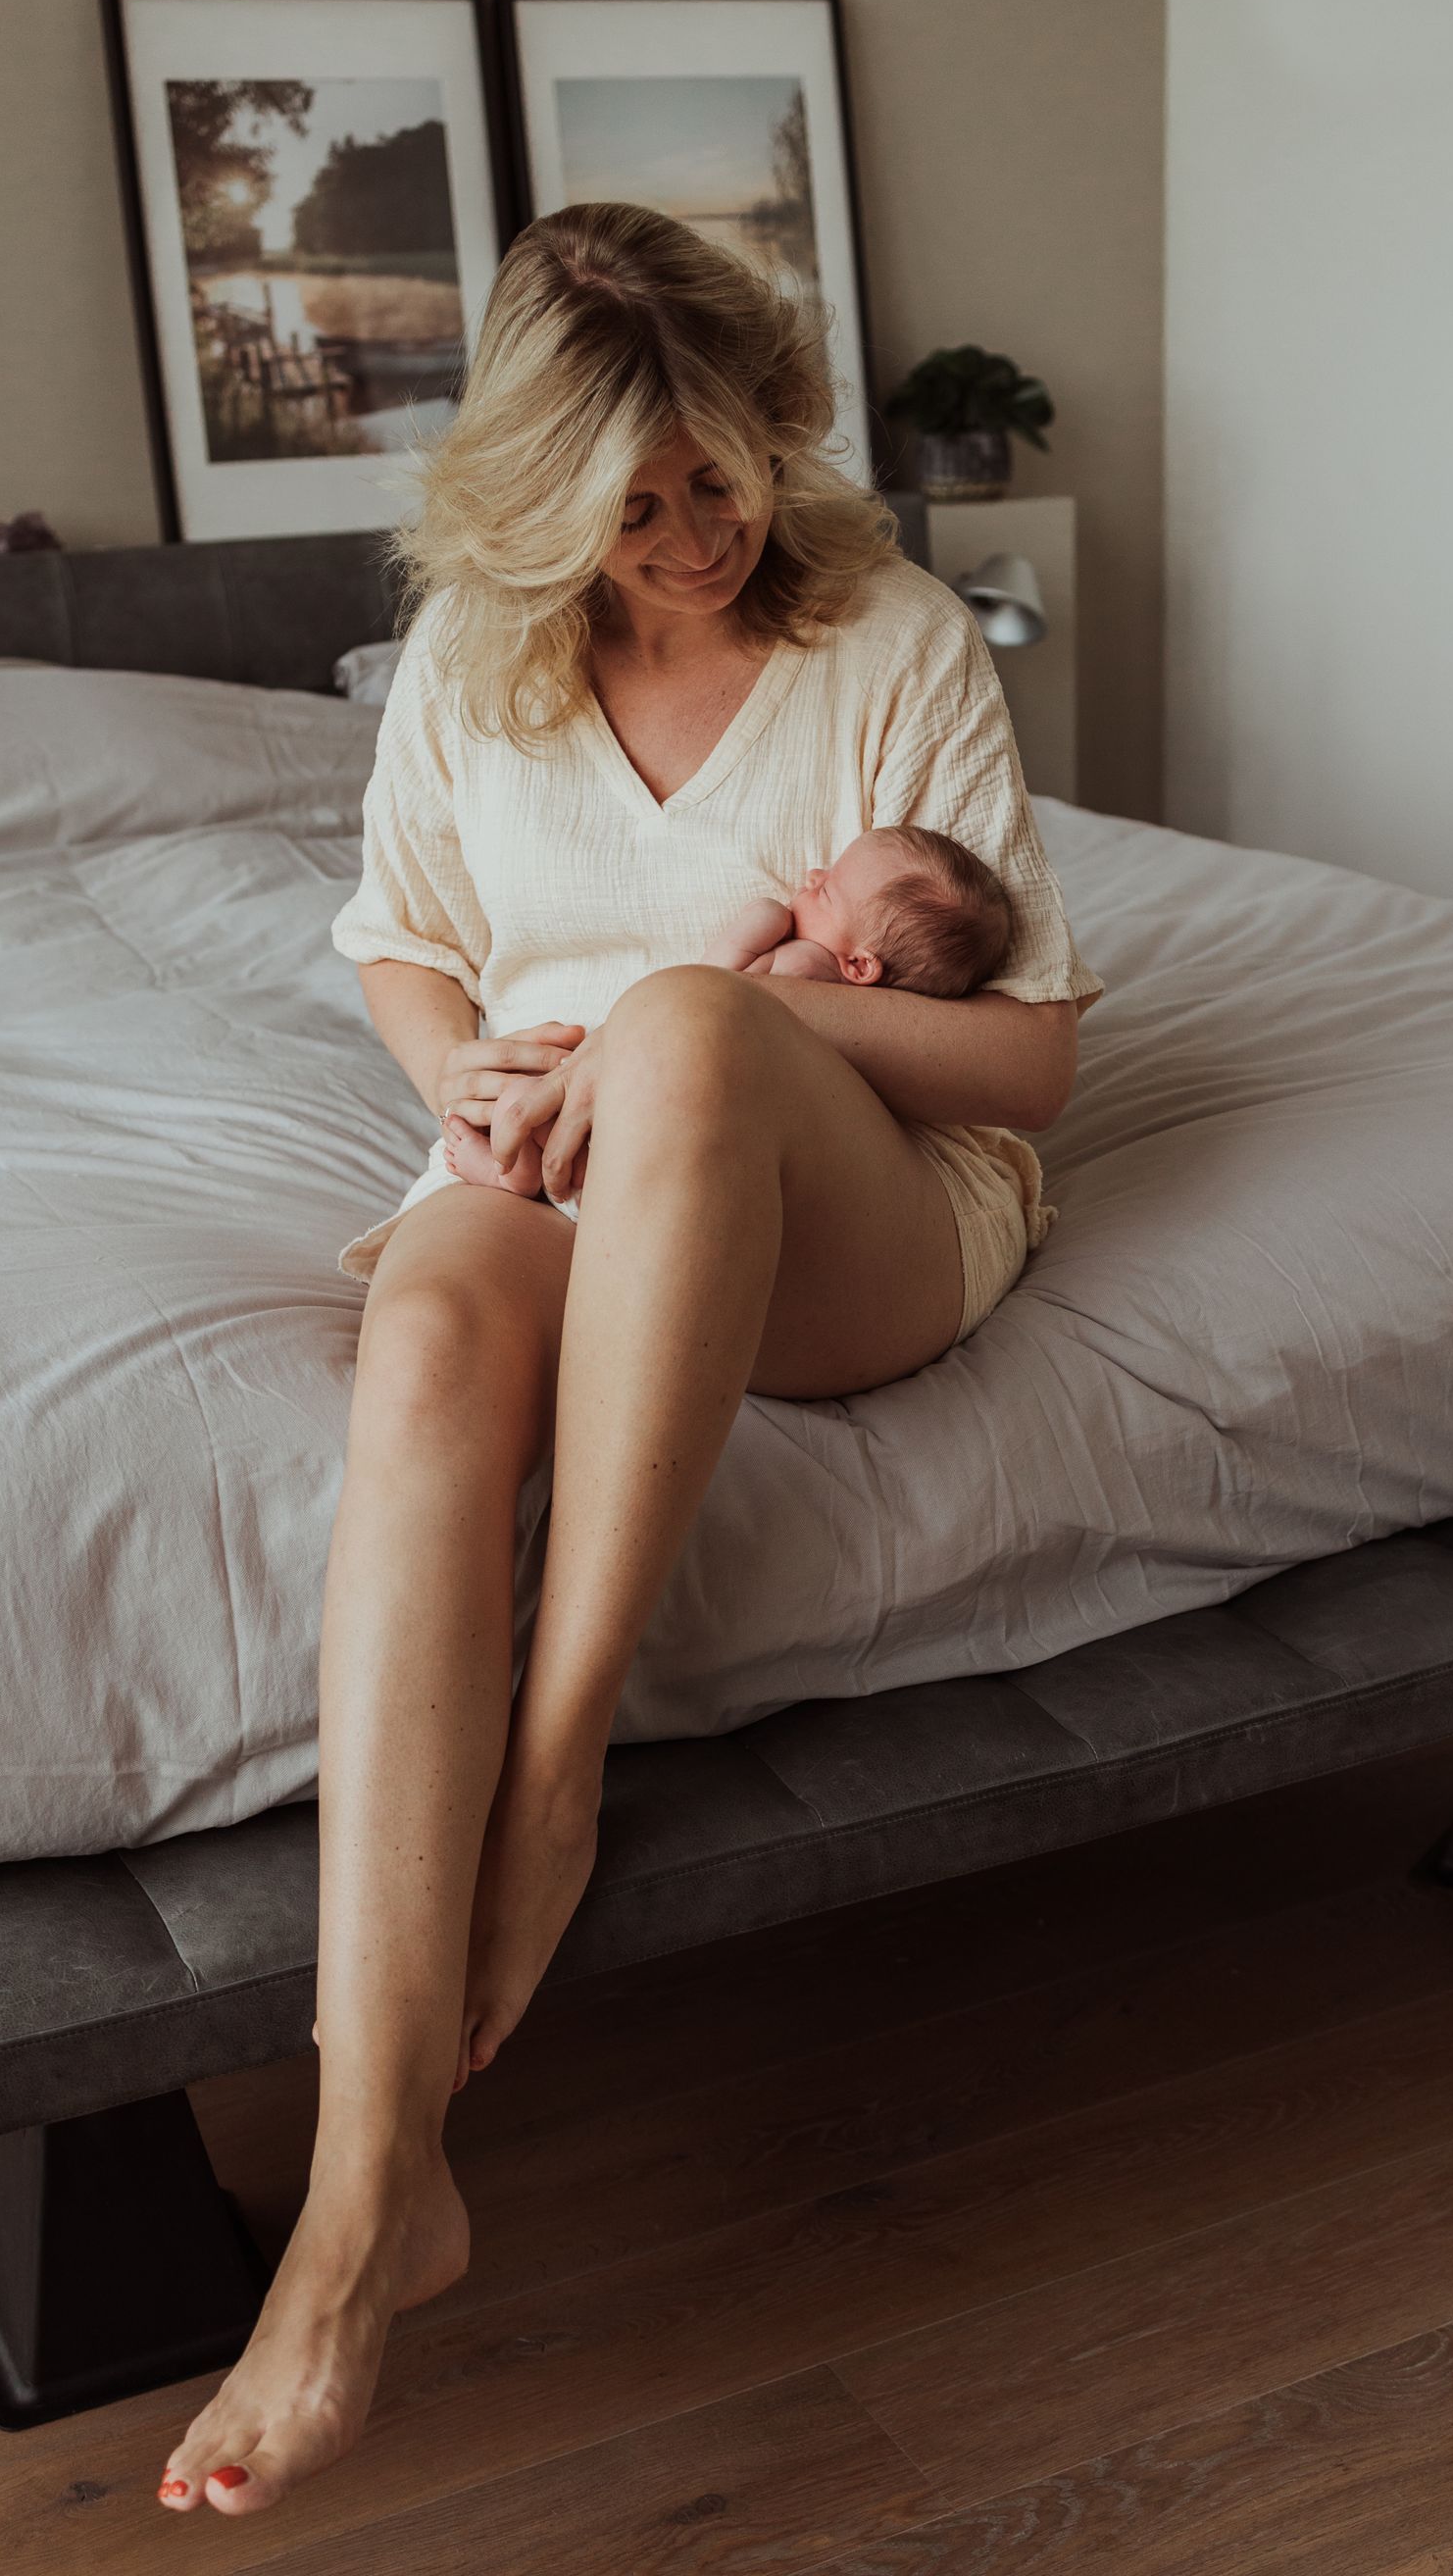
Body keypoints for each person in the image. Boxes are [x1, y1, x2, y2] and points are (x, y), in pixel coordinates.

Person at [157, 202, 1103, 2520]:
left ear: (773, 428)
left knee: (678, 1019)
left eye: (723, 474)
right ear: (537, 496)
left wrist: (736, 1016)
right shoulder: (471, 653)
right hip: (563, 1161)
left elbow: (1028, 1063)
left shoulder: (887, 636)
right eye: (635, 502)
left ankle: (557, 1767)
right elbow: (403, 940)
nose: (695, 535)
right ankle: (370, 2192)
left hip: (863, 1208)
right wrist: (464, 1071)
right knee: (423, 1331)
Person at [442, 824, 1017, 1196]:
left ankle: (506, 1174)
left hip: (659, 1089)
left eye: (826, 890)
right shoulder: (874, 1018)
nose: (812, 876)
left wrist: (765, 916)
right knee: (564, 1139)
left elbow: (705, 986)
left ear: (861, 965)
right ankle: (525, 1178)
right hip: (673, 1109)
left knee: (528, 1109)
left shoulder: (803, 967)